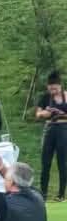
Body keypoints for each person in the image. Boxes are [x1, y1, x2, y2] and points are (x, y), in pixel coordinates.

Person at [36, 71, 67, 200]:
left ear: (60, 86)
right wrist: (45, 113)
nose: (53, 91)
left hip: (63, 128)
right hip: (49, 128)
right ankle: (43, 193)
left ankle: (61, 193)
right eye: (51, 88)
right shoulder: (45, 97)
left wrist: (61, 114)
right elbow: (38, 114)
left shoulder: (66, 96)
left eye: (55, 88)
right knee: (46, 162)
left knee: (62, 162)